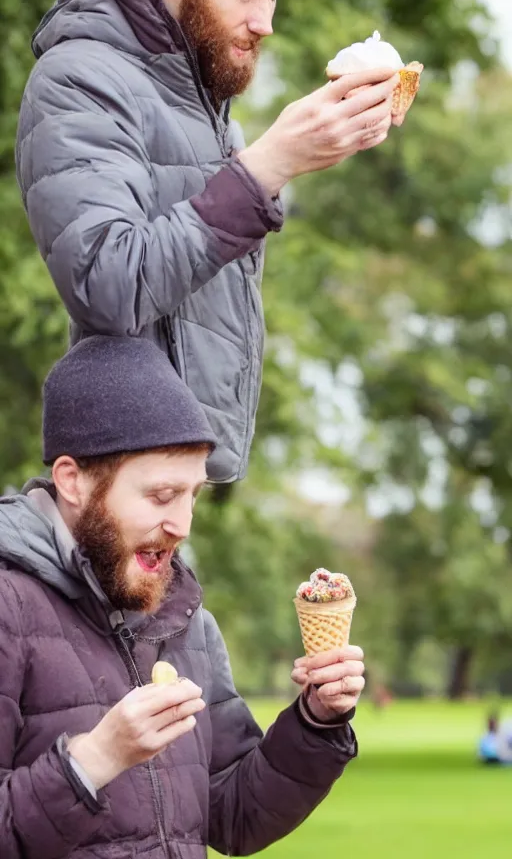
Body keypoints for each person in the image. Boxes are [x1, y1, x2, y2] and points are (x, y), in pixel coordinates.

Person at [15, 0, 398, 483]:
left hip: (173, 471)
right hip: (118, 478)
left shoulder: (203, 104)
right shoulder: (81, 77)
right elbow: (106, 284)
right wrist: (265, 168)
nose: (265, 21)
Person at [0, 335, 365, 857]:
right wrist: (91, 762)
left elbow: (235, 816)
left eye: (192, 495)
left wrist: (315, 721)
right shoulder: (8, 606)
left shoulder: (182, 618)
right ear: (72, 481)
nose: (182, 525)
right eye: (162, 496)